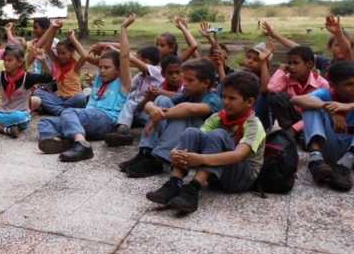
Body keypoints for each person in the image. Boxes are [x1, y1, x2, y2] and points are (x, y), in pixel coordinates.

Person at [146, 71, 266, 214]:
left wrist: (200, 159)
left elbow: (238, 155)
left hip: (240, 178)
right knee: (192, 132)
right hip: (217, 173)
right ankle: (174, 182)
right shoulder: (219, 117)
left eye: (232, 98)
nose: (226, 102)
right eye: (223, 97)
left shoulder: (254, 125)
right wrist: (176, 151)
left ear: (250, 102)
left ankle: (193, 189)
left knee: (218, 134)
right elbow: (198, 138)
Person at [37, 16, 134, 162]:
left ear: (119, 69)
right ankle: (62, 141)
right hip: (88, 118)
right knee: (45, 122)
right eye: (100, 67)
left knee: (68, 112)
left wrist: (123, 29)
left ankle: (82, 145)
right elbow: (86, 56)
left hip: (106, 120)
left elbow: (125, 55)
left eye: (107, 67)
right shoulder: (99, 79)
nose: (101, 70)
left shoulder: (123, 82)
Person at [292, 61, 354, 192]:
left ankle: (344, 165)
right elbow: (296, 100)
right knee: (310, 106)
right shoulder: (324, 93)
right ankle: (315, 160)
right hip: (329, 154)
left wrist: (350, 106)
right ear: (333, 85)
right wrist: (328, 107)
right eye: (349, 84)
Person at [118, 58, 221, 178]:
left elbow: (190, 109)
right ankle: (146, 152)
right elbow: (148, 105)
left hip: (198, 144)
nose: (184, 83)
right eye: (185, 79)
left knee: (182, 115)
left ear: (206, 83)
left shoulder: (213, 99)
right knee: (162, 100)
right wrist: (154, 110)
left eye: (190, 80)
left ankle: (160, 160)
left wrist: (160, 115)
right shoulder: (187, 94)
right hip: (181, 143)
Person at [104, 46, 163, 146]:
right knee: (127, 101)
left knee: (131, 104)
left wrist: (115, 51)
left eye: (137, 58)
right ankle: (122, 133)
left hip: (148, 110)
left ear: (146, 61)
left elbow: (128, 58)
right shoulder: (139, 76)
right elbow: (129, 88)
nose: (134, 62)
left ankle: (123, 129)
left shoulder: (157, 71)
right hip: (136, 110)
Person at [260, 16, 354, 76]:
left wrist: (338, 34)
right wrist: (274, 34)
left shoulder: (351, 63)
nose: (341, 49)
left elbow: (347, 51)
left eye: (344, 45)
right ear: (329, 47)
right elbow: (299, 49)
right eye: (337, 45)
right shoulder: (326, 63)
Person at [267, 45, 329, 138]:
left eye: (296, 63)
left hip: (313, 120)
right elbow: (272, 88)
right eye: (289, 63)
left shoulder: (321, 84)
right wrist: (281, 71)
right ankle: (288, 132)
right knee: (277, 98)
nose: (291, 67)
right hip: (292, 118)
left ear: (309, 64)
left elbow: (322, 112)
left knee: (313, 109)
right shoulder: (287, 78)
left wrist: (295, 128)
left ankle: (295, 134)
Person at [31, 20, 88, 115]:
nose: (60, 56)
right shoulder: (57, 62)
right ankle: (62, 111)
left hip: (73, 99)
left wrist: (72, 38)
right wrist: (53, 30)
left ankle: (56, 110)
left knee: (81, 98)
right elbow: (47, 48)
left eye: (64, 53)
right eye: (58, 53)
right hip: (59, 99)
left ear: (71, 53)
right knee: (38, 92)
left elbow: (84, 56)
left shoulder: (75, 66)